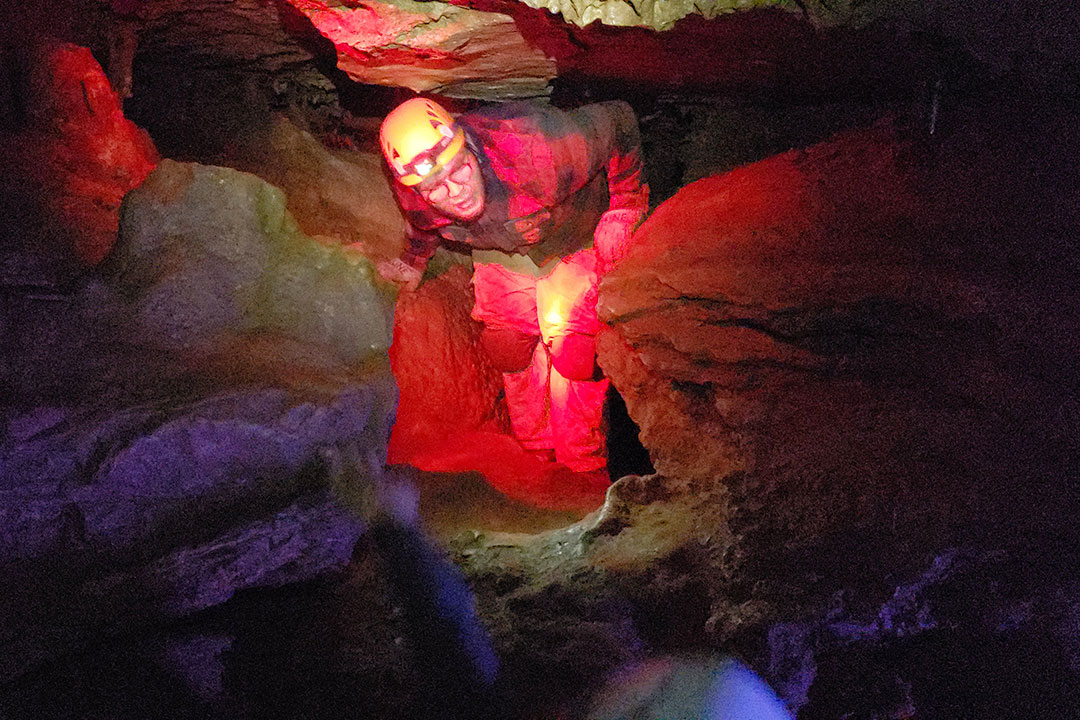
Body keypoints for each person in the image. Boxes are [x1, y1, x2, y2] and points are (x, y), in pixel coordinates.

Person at [377, 97, 649, 475]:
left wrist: (626, 203)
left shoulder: (539, 151)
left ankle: (581, 466)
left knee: (573, 349)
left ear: (469, 147)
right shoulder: (416, 193)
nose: (454, 192)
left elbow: (620, 119)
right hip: (498, 246)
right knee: (509, 347)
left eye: (460, 170)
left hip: (572, 234)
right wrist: (414, 261)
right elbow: (423, 224)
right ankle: (535, 458)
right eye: (435, 187)